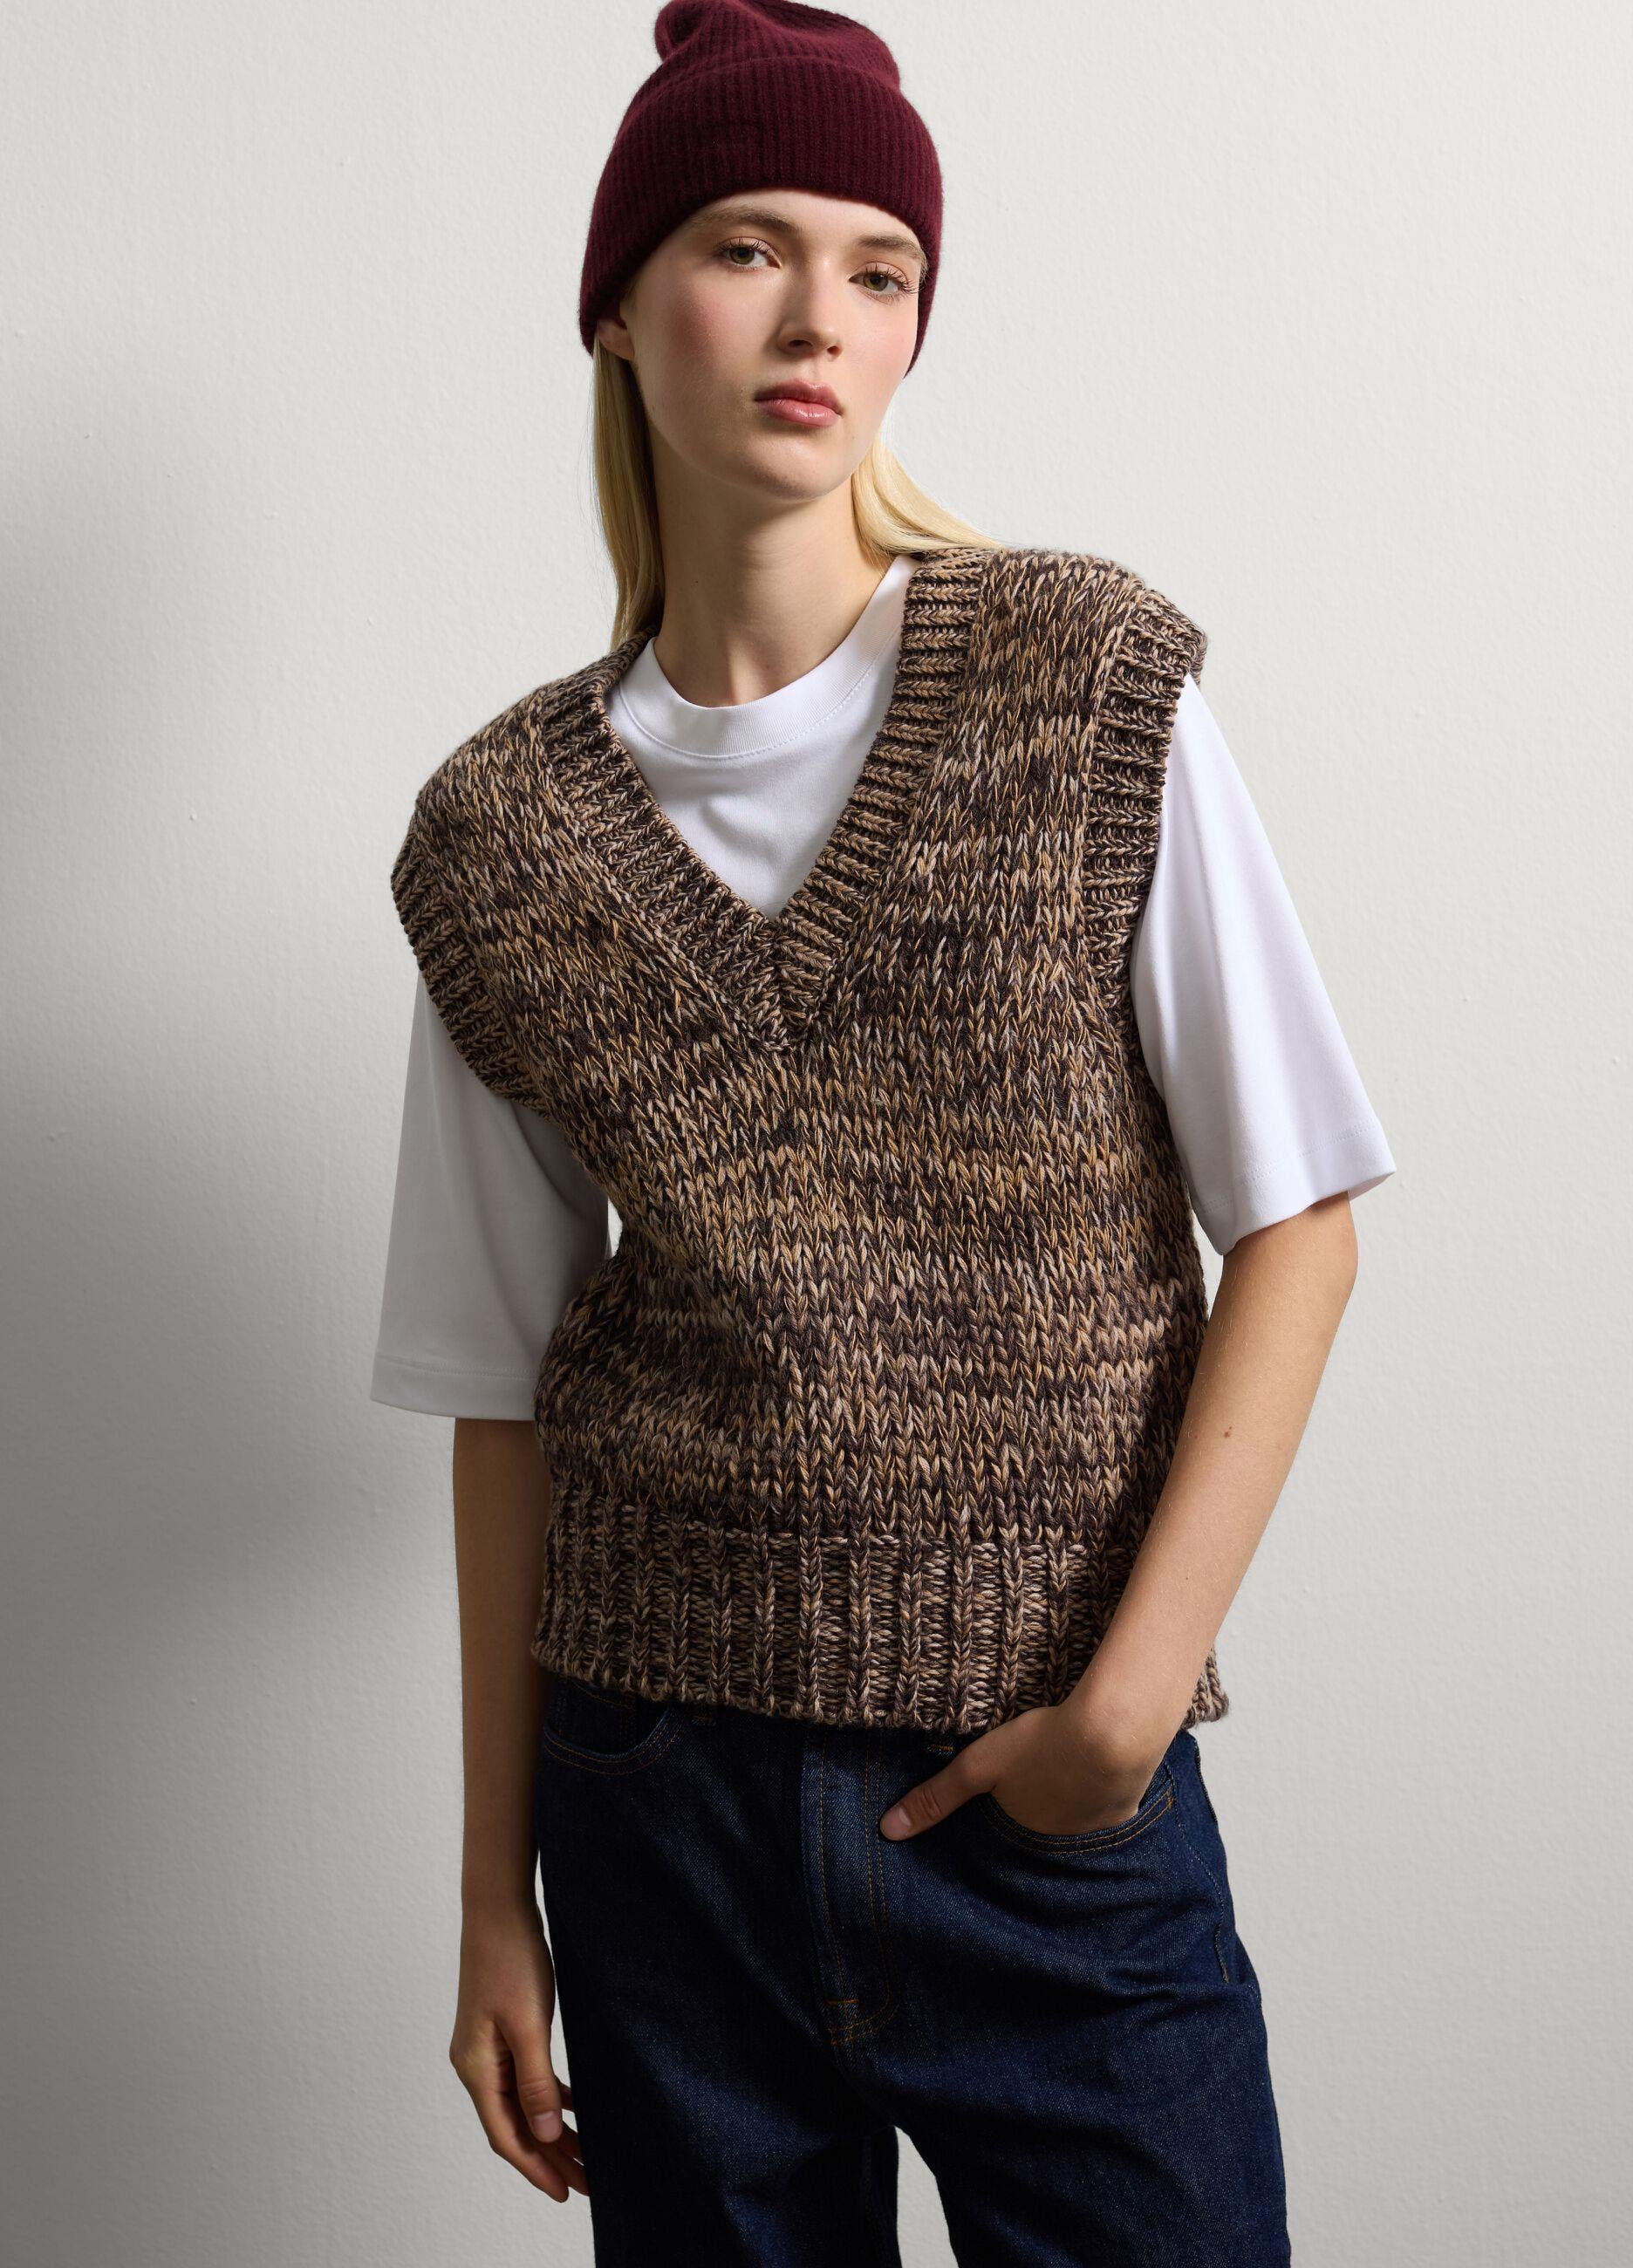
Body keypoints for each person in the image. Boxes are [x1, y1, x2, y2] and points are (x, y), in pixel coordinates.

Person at [370, 3, 1395, 2258]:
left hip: (1044, 1798)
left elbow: (1302, 1220)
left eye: (879, 266)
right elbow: (497, 1387)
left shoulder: (1081, 684)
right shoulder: (500, 837)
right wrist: (491, 1898)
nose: (819, 316)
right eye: (744, 247)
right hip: (656, 1807)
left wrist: (1123, 1712)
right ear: (621, 304)